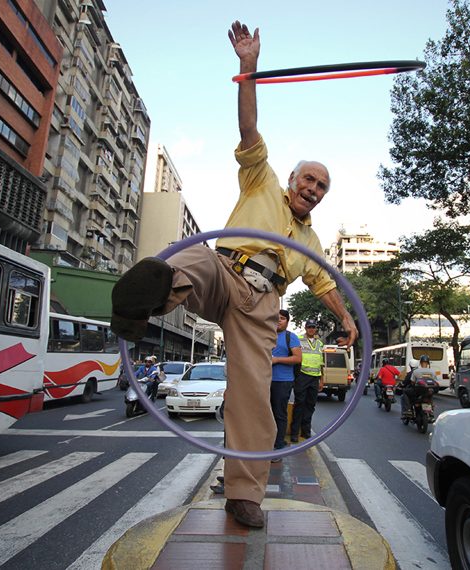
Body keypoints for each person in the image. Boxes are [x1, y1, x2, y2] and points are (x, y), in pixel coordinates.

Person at [109, 20, 358, 530]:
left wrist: (349, 321)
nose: (314, 188)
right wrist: (248, 68)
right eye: (309, 178)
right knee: (192, 257)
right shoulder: (262, 179)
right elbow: (249, 131)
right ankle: (145, 300)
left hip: (264, 307)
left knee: (252, 400)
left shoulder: (309, 242)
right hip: (224, 270)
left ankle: (244, 495)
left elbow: (324, 283)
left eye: (322, 186)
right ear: (291, 179)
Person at [270, 309, 302, 461]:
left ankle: (278, 447)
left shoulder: (291, 337)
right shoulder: (265, 335)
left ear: (287, 321)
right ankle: (266, 444)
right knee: (265, 414)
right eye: (276, 318)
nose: (278, 320)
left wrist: (277, 360)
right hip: (263, 380)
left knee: (279, 413)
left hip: (283, 381)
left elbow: (297, 358)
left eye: (282, 318)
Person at [290, 320, 324, 443]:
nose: (311, 329)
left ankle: (306, 431)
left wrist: (322, 380)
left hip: (315, 378)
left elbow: (321, 363)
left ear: (316, 329)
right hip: (302, 376)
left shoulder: (320, 344)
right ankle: (294, 433)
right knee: (299, 405)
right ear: (305, 328)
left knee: (310, 405)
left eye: (313, 327)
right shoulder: (298, 340)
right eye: (309, 327)